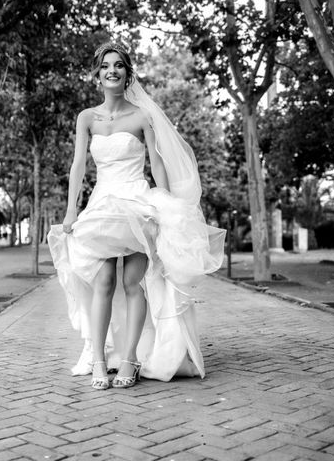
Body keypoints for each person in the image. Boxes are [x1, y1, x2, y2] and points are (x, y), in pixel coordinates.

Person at [47, 42, 225, 390]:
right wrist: (71, 211)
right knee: (102, 282)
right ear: (97, 74)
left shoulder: (142, 117)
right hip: (102, 206)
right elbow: (78, 166)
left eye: (119, 66)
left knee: (133, 283)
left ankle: (129, 358)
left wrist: (167, 208)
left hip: (137, 203)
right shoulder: (86, 118)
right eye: (105, 66)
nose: (112, 71)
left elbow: (157, 164)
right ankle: (99, 360)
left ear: (128, 74)